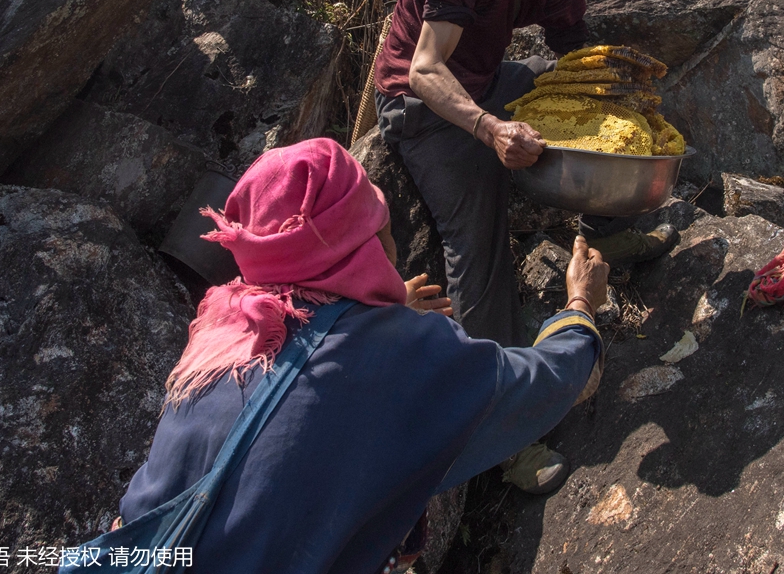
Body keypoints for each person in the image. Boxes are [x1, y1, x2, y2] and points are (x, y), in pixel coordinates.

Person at [113, 138, 608, 573]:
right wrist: (580, 305)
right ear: (365, 240)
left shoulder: (222, 325)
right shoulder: (400, 352)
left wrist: (373, 321)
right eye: (379, 222)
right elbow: (546, 382)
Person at [372, 0, 679, 489]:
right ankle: (502, 432)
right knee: (477, 245)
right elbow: (426, 70)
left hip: (485, 80)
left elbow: (575, 58)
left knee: (587, 106)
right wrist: (490, 131)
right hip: (422, 104)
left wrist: (613, 114)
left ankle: (607, 231)